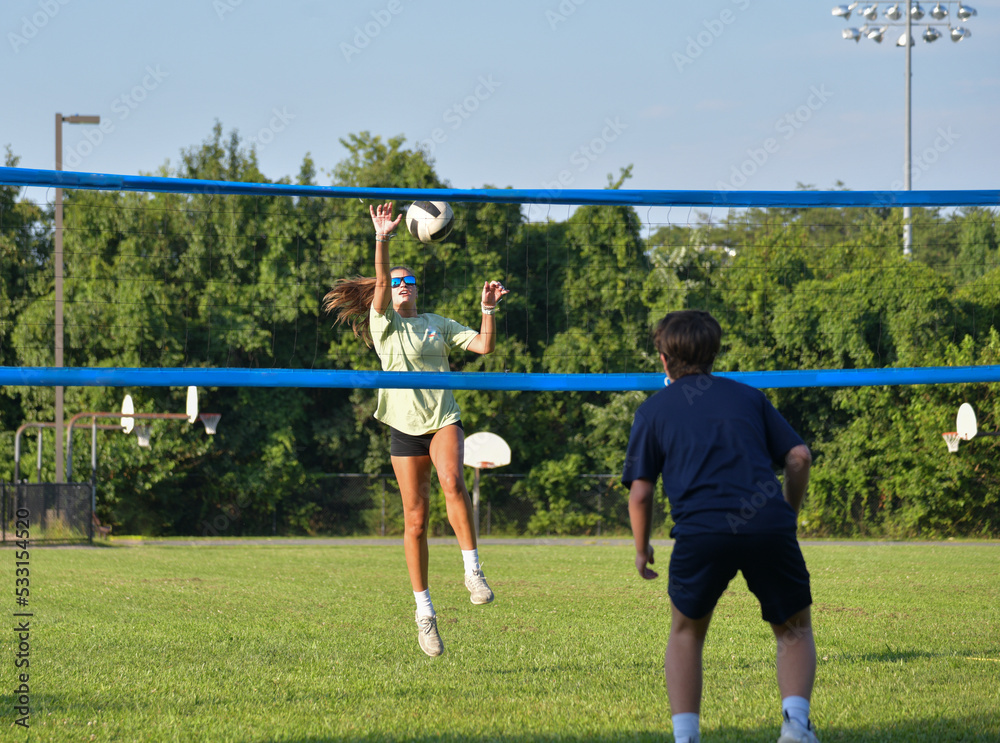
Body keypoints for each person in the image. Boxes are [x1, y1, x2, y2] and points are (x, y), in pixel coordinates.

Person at [622, 310, 818, 743]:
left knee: (687, 632)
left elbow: (640, 493)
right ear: (714, 354)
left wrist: (641, 548)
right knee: (793, 629)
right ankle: (796, 726)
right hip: (767, 524)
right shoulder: (748, 397)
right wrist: (788, 513)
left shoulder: (653, 410)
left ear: (663, 359)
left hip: (700, 532)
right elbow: (799, 457)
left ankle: (686, 736)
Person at [323, 202, 509, 657]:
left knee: (452, 481)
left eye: (410, 282)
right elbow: (381, 281)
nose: (403, 286)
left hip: (443, 418)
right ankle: (425, 613)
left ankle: (473, 570)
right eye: (398, 282)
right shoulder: (382, 322)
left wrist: (487, 308)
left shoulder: (436, 325)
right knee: (415, 520)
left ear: (418, 291)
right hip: (404, 427)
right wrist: (382, 238)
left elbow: (484, 346)